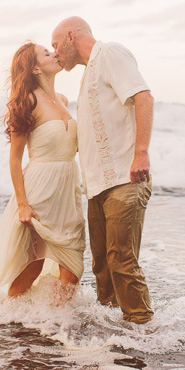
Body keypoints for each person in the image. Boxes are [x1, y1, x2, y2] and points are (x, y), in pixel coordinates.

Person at [0, 42, 85, 308]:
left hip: (68, 192)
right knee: (32, 266)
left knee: (72, 268)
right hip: (39, 191)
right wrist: (22, 204)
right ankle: (12, 321)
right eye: (46, 53)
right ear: (34, 68)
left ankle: (55, 325)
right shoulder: (27, 102)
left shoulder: (63, 100)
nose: (54, 53)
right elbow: (16, 158)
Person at [52, 17, 154, 325]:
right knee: (103, 268)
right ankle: (113, 331)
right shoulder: (87, 77)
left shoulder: (109, 53)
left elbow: (143, 97)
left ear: (72, 36)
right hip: (97, 187)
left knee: (122, 260)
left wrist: (141, 153)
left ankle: (143, 329)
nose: (55, 53)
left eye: (56, 45)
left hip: (125, 177)